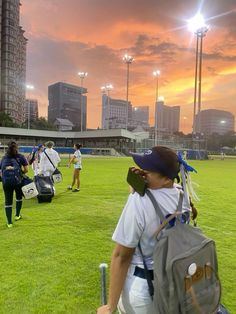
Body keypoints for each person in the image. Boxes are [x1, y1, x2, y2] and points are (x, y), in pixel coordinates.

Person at [97, 146, 197, 314]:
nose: (141, 174)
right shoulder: (183, 194)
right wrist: (138, 188)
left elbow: (122, 256)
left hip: (143, 290)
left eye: (147, 172)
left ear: (165, 179)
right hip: (175, 282)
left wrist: (110, 306)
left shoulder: (139, 201)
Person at [0, 141, 28, 228]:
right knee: (19, 198)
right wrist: (20, 172)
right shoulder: (21, 157)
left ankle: (9, 222)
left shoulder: (4, 158)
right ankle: (17, 215)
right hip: (18, 181)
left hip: (6, 182)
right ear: (17, 148)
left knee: (8, 201)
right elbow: (26, 170)